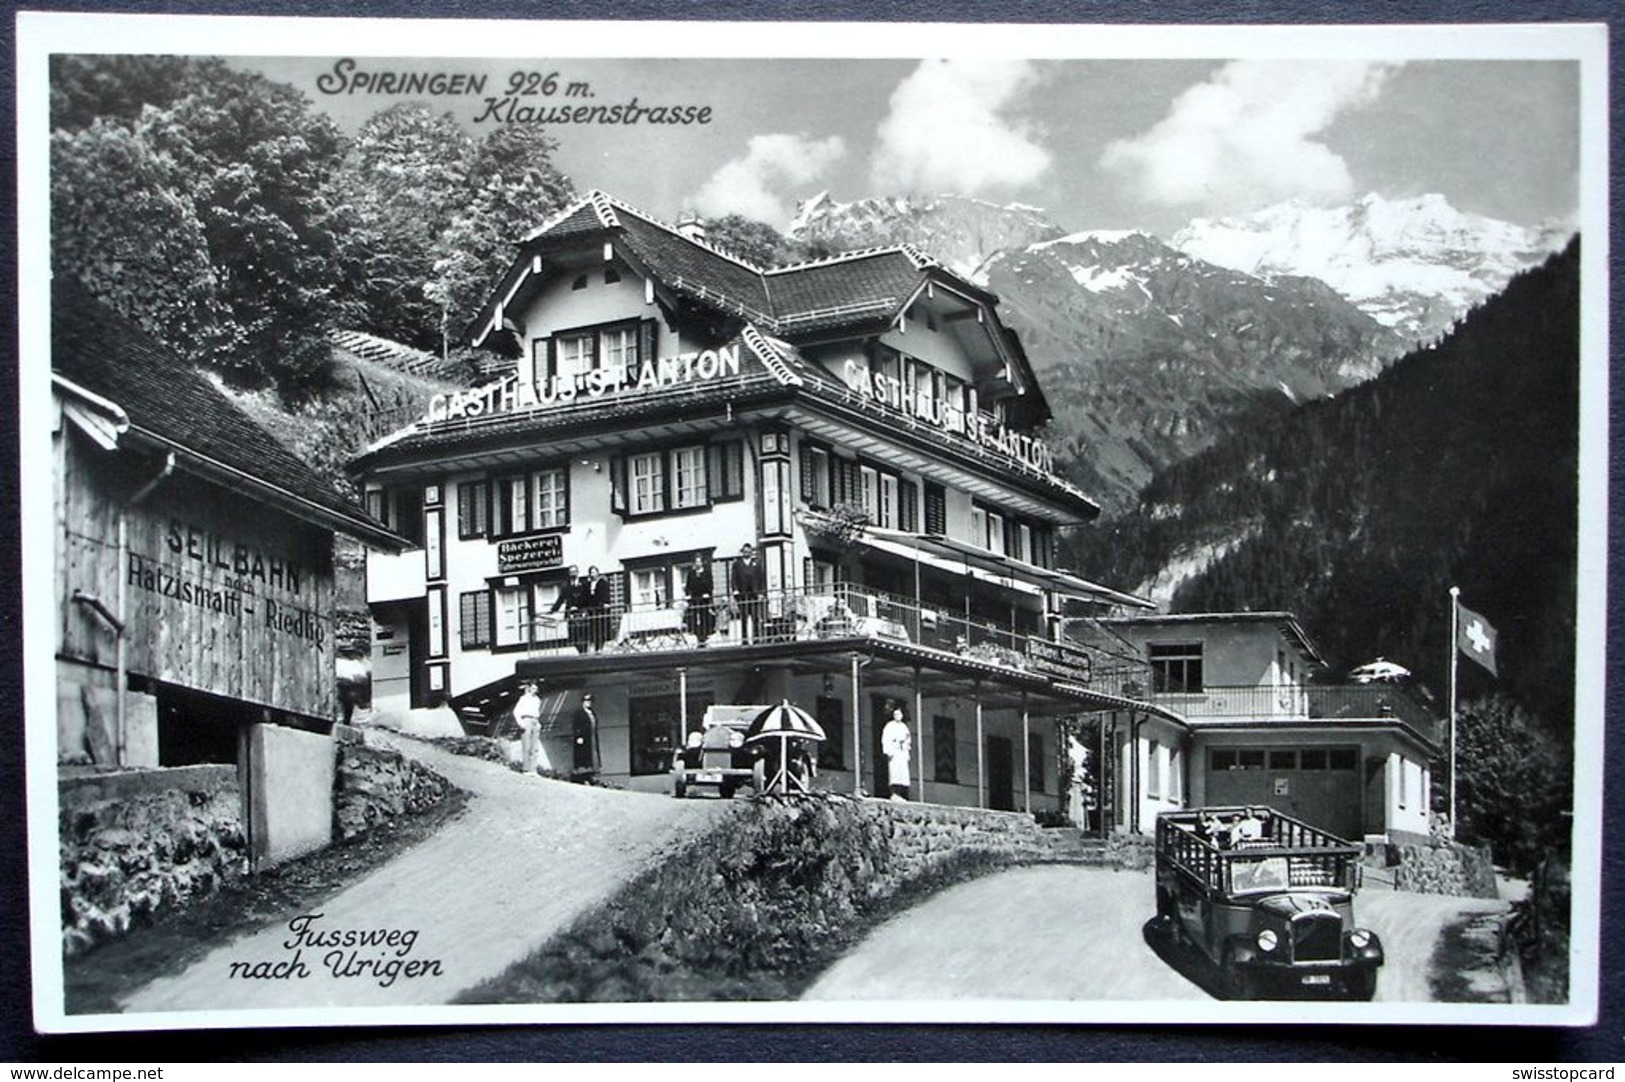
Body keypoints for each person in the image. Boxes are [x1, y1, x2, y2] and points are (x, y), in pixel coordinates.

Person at [732, 542, 766, 645]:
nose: (747, 553)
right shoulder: (737, 564)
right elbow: (733, 579)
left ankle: (756, 638)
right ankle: (744, 639)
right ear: (742, 552)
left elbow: (761, 579)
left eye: (749, 551)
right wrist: (735, 590)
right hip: (743, 595)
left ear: (751, 552)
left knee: (755, 617)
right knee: (744, 618)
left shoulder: (757, 563)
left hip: (754, 594)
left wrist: (761, 593)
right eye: (745, 551)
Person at [550, 565, 587, 653]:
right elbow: (561, 599)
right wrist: (553, 610)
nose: (573, 574)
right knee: (573, 636)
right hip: (571, 614)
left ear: (578, 572)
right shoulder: (566, 585)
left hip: (582, 613)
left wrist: (581, 608)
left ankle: (584, 652)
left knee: (584, 634)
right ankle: (580, 651)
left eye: (574, 571)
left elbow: (586, 598)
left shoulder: (584, 584)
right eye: (571, 572)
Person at [881, 702, 913, 801]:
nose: (897, 716)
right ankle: (894, 793)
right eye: (895, 714)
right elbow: (886, 739)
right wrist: (889, 750)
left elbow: (908, 740)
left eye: (899, 714)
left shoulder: (904, 727)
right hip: (894, 751)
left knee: (903, 774)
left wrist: (906, 747)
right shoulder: (890, 726)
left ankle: (902, 794)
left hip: (902, 752)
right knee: (895, 773)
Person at [683, 553, 715, 646]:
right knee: (694, 618)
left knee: (704, 617)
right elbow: (688, 586)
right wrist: (688, 595)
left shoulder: (707, 573)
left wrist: (707, 593)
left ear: (702, 562)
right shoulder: (691, 574)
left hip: (704, 599)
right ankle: (698, 637)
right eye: (696, 562)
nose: (698, 564)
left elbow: (710, 585)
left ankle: (704, 637)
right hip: (694, 599)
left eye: (699, 562)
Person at [514, 681, 543, 774]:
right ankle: (526, 769)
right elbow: (516, 711)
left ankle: (533, 770)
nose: (535, 690)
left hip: (535, 721)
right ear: (529, 688)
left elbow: (537, 711)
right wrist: (520, 723)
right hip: (526, 720)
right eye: (533, 688)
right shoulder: (523, 698)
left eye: (536, 688)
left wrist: (538, 723)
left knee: (535, 747)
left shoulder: (537, 700)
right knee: (527, 746)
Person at [582, 566, 612, 651]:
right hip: (591, 609)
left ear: (597, 573)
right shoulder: (587, 584)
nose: (593, 574)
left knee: (600, 628)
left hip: (600, 608)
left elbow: (606, 594)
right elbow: (585, 597)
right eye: (591, 572)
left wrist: (606, 603)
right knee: (592, 629)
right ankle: (594, 646)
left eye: (594, 572)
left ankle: (600, 647)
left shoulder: (602, 582)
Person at [571, 693, 599, 779]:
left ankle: (591, 773)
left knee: (592, 755)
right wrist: (578, 736)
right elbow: (575, 725)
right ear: (583, 702)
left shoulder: (592, 712)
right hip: (583, 738)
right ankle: (582, 775)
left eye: (590, 701)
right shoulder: (579, 712)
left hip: (592, 737)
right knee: (582, 755)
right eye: (586, 701)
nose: (588, 703)